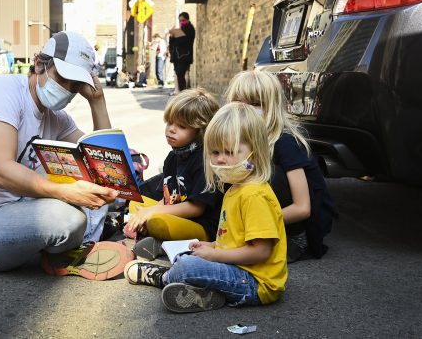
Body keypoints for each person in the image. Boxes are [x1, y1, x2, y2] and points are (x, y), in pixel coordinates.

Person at [0, 31, 134, 279]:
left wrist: (97, 101)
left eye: (75, 85)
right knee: (67, 221)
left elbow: (106, 164)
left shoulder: (55, 118)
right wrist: (68, 192)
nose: (68, 90)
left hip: (10, 211)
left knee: (95, 179)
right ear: (39, 64)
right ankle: (73, 247)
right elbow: (1, 172)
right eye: (63, 78)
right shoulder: (3, 91)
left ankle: (76, 244)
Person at [124, 102, 287, 313]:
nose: (220, 159)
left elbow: (261, 251)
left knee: (187, 266)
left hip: (256, 283)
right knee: (189, 255)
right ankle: (207, 294)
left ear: (254, 154)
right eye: (214, 152)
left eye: (229, 152)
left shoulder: (254, 194)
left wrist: (215, 255)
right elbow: (235, 239)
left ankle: (162, 277)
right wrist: (211, 246)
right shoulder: (235, 188)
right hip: (238, 270)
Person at [225, 70, 337, 262]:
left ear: (271, 107)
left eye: (255, 104)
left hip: (293, 234)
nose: (246, 110)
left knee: (267, 174)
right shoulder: (241, 141)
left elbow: (302, 208)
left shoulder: (284, 142)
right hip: (259, 227)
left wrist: (251, 224)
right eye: (239, 103)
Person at [124, 88, 223, 261]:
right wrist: (149, 210)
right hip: (176, 215)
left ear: (200, 131)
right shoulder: (173, 156)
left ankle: (160, 241)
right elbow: (169, 197)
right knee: (136, 202)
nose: (171, 130)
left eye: (181, 126)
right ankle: (155, 237)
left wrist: (152, 212)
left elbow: (196, 207)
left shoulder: (205, 160)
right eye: (170, 123)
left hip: (200, 226)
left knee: (156, 222)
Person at [168, 12, 195, 93]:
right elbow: (173, 43)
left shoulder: (190, 29)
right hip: (177, 56)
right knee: (178, 74)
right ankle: (181, 91)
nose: (181, 22)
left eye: (183, 20)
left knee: (181, 74)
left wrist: (177, 37)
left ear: (187, 19)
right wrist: (172, 36)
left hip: (184, 56)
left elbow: (186, 41)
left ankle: (183, 92)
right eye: (180, 20)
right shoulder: (181, 29)